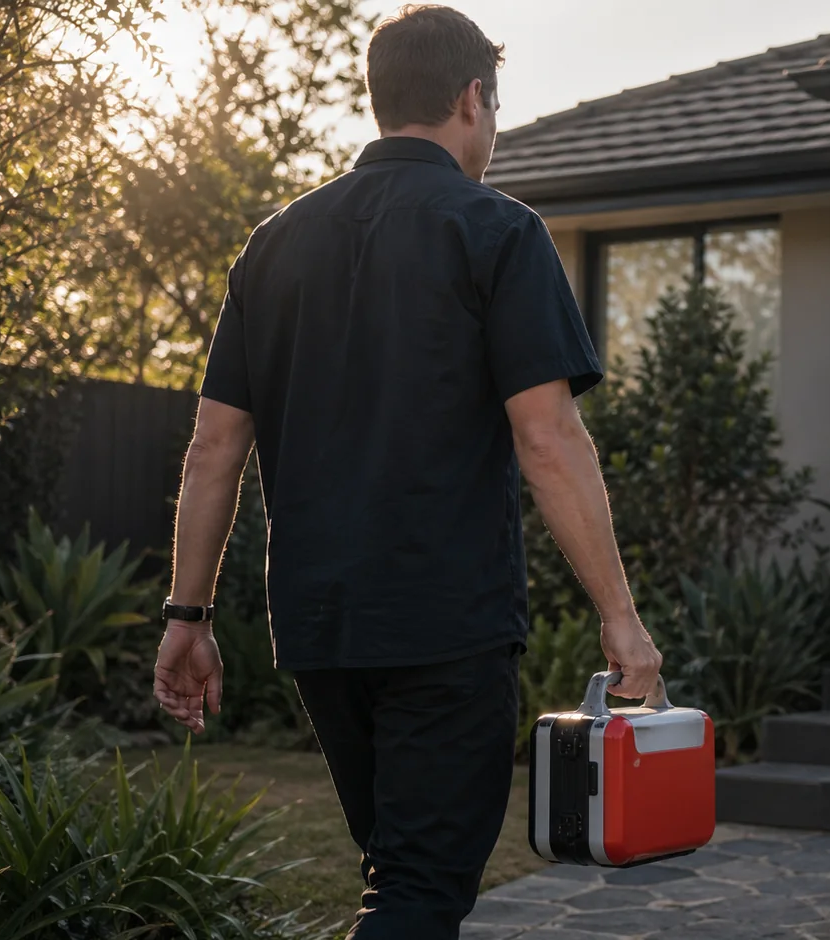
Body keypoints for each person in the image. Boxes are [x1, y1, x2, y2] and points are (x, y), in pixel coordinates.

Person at [150, 5, 663, 937]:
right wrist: (621, 621)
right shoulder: (499, 232)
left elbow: (212, 448)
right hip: (445, 626)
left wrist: (187, 617)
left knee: (397, 875)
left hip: (319, 629)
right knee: (417, 893)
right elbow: (548, 440)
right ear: (473, 99)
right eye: (495, 108)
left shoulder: (273, 245)